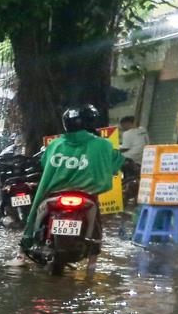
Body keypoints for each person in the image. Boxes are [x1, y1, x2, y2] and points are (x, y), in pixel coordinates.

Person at [22, 104, 123, 273]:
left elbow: (43, 163)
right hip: (87, 195)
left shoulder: (55, 144)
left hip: (54, 193)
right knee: (96, 228)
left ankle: (24, 249)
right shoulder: (103, 145)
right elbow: (115, 163)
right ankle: (92, 265)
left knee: (37, 214)